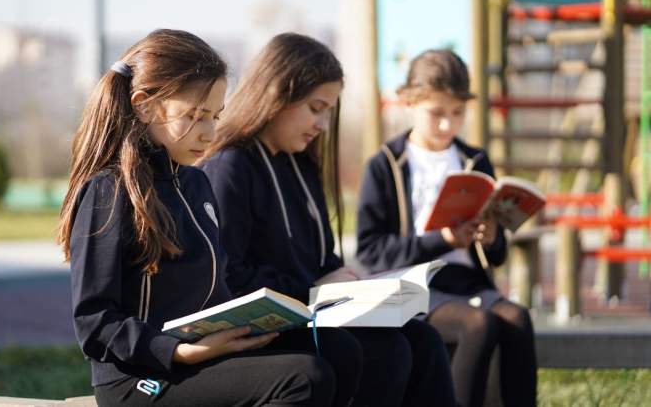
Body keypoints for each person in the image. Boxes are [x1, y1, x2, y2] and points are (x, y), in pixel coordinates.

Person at [56, 29, 363, 407]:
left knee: (340, 349)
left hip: (203, 351)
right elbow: (94, 321)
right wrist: (178, 352)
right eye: (196, 116)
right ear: (144, 105)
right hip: (140, 377)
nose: (210, 132)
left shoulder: (198, 183)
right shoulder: (108, 190)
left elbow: (214, 289)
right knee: (302, 379)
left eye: (215, 116)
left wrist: (255, 320)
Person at [201, 33, 456, 407]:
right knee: (386, 352)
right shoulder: (230, 169)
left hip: (316, 311)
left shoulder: (300, 163)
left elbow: (323, 261)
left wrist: (356, 287)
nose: (322, 124)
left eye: (328, 111)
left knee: (424, 340)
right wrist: (314, 289)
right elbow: (229, 278)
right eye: (315, 108)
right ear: (277, 94)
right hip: (267, 328)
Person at [356, 49, 537, 407]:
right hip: (416, 288)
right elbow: (371, 251)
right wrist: (444, 240)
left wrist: (492, 236)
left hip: (470, 283)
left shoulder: (476, 159)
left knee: (517, 317)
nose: (447, 125)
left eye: (457, 113)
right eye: (436, 113)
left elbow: (496, 257)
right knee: (477, 325)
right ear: (407, 103)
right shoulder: (386, 164)